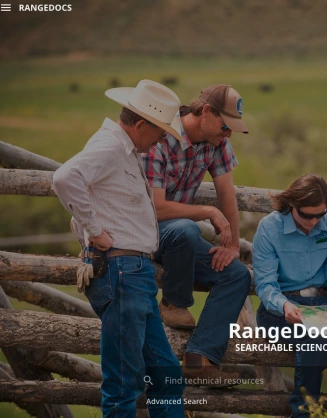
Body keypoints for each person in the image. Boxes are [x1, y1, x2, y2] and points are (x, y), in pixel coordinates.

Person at [52, 80, 185, 417]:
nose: (160, 141)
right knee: (124, 384)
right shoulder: (111, 146)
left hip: (131, 275)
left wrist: (89, 228)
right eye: (158, 134)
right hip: (122, 273)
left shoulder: (118, 147)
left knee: (166, 374)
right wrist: (94, 232)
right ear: (140, 125)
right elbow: (66, 178)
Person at [142, 84, 251, 386]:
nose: (227, 135)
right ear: (205, 111)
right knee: (186, 228)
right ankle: (173, 303)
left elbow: (226, 195)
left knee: (237, 275)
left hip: (179, 238)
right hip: (143, 233)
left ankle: (198, 360)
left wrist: (230, 246)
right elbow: (157, 210)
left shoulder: (215, 142)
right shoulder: (159, 139)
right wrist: (207, 212)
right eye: (225, 126)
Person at [253, 174, 327, 418]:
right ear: (292, 204)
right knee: (315, 339)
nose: (314, 221)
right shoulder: (269, 227)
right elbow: (265, 284)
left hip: (324, 304)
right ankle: (303, 413)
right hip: (280, 309)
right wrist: (284, 306)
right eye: (306, 215)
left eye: (319, 215)